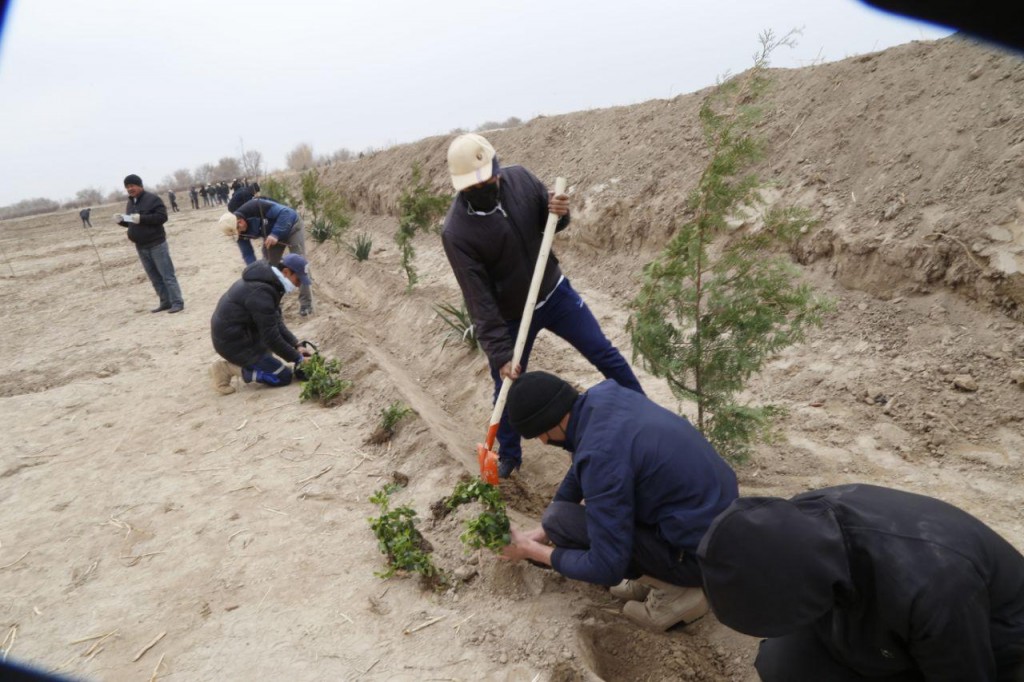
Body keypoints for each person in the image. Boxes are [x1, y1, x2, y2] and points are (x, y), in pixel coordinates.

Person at [441, 133, 644, 478]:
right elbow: (478, 299)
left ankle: (644, 412)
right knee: (506, 385)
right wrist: (501, 353)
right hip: (510, 317)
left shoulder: (520, 178)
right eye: (479, 183)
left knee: (603, 352)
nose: (491, 182)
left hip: (555, 293)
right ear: (463, 187)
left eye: (491, 174)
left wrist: (559, 214)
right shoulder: (457, 232)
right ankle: (508, 456)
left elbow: (550, 222)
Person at [697, 484, 1024, 681]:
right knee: (785, 664)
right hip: (875, 604)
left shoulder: (934, 584)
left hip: (994, 641)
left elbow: (963, 674)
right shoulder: (800, 525)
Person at [498, 371, 738, 631]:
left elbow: (606, 567)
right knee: (556, 519)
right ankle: (654, 574)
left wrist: (530, 550)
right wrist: (541, 532)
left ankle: (680, 590)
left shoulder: (601, 457)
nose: (544, 442)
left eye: (540, 434)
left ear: (551, 421)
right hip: (720, 518)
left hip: (703, 557)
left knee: (563, 523)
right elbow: (585, 461)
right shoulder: (604, 398)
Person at [209, 253, 314, 394]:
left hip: (244, 334)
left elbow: (275, 321)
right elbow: (271, 337)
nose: (299, 285)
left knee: (270, 359)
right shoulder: (261, 293)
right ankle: (228, 368)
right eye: (298, 280)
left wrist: (297, 345)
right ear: (286, 272)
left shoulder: (269, 283)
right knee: (282, 376)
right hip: (232, 343)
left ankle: (255, 361)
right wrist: (298, 359)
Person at [216, 197, 313, 316]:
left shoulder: (256, 206)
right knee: (269, 267)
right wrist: (255, 272)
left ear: (240, 222)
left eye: (239, 230)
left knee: (299, 264)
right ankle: (273, 301)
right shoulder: (239, 234)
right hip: (273, 237)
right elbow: (248, 254)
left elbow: (285, 213)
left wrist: (275, 234)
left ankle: (306, 303)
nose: (240, 235)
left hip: (292, 226)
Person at [116, 174, 184, 313]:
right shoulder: (131, 203)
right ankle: (165, 302)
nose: (130, 189)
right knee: (154, 277)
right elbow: (132, 223)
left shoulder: (153, 199)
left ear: (140, 185)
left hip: (156, 244)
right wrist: (122, 221)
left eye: (132, 186)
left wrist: (142, 218)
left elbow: (162, 217)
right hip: (141, 246)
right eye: (127, 187)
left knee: (167, 275)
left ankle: (177, 302)